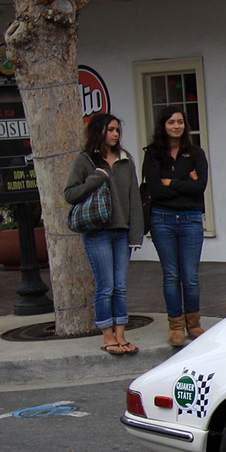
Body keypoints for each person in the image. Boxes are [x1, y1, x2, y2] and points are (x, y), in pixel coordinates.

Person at [65, 112, 144, 354]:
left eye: (117, 130)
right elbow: (70, 194)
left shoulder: (125, 160)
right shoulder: (84, 160)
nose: (115, 134)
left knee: (120, 285)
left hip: (121, 232)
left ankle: (121, 336)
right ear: (98, 131)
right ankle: (107, 336)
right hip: (97, 232)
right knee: (105, 285)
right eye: (110, 129)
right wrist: (96, 178)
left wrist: (136, 235)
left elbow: (134, 199)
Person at [144, 107, 210, 346]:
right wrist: (185, 183)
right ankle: (175, 326)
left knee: (190, 276)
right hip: (162, 219)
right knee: (171, 274)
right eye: (171, 122)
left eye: (180, 122)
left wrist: (171, 182)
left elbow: (200, 187)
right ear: (163, 125)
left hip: (191, 219)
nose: (176, 126)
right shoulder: (152, 154)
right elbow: (155, 190)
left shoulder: (195, 153)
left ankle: (194, 324)